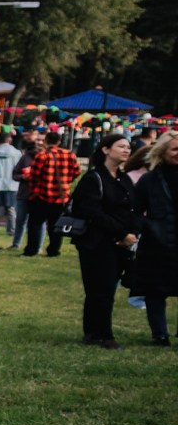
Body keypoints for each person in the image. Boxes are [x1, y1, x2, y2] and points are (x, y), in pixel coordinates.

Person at [69, 133, 143, 348]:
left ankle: (94, 332)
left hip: (121, 242)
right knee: (99, 290)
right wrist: (121, 233)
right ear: (105, 150)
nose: (127, 150)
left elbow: (135, 208)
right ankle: (102, 334)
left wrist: (133, 233)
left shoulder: (123, 178)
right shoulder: (94, 178)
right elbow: (91, 211)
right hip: (97, 243)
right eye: (121, 146)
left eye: (128, 147)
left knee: (107, 289)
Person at [131, 134, 178, 348]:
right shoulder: (149, 180)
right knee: (154, 292)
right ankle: (160, 335)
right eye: (175, 149)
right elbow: (135, 210)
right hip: (157, 243)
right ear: (162, 152)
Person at [19, 126, 79, 256]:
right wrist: (65, 181)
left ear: (46, 141)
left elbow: (34, 175)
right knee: (55, 226)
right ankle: (53, 250)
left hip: (41, 195)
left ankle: (31, 250)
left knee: (35, 224)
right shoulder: (70, 155)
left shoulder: (42, 156)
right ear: (59, 141)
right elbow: (76, 172)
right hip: (60, 197)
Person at [0, 125, 22, 245]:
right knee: (11, 209)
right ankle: (12, 230)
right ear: (10, 140)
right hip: (12, 185)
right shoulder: (17, 153)